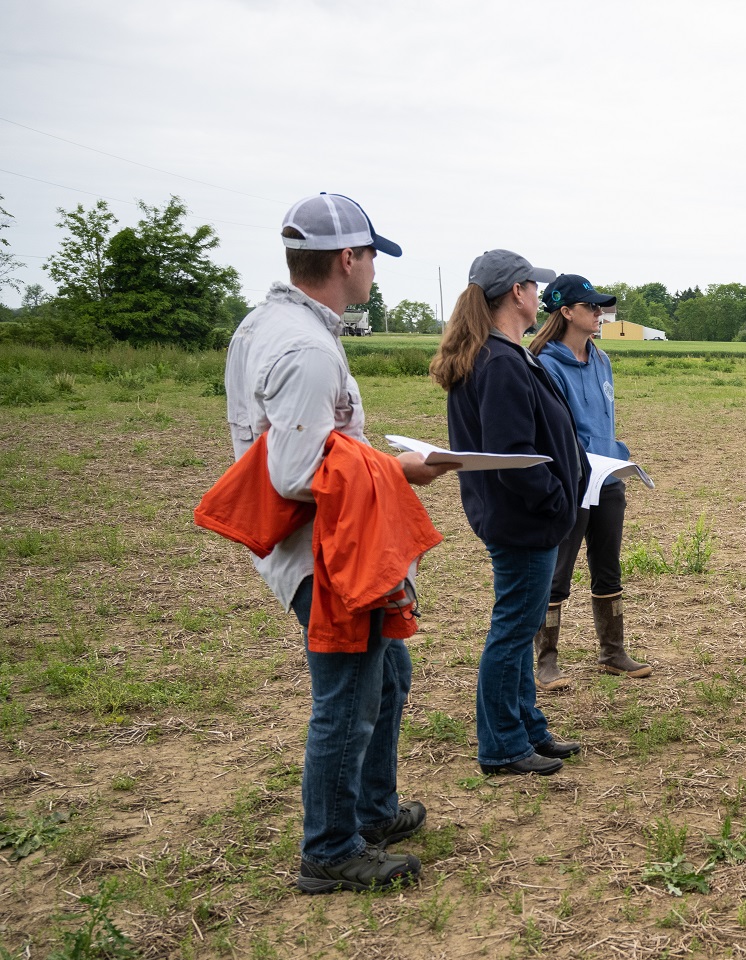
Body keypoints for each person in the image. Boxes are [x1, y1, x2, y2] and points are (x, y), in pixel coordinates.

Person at [224, 193, 457, 893]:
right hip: (324, 552)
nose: (376, 274)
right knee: (349, 696)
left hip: (327, 543)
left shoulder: (266, 327)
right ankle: (329, 847)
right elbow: (295, 472)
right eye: (373, 259)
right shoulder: (304, 349)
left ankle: (372, 810)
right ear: (347, 259)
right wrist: (401, 469)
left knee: (388, 675)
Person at [431, 250, 588, 776]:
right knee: (513, 631)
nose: (539, 294)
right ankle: (501, 744)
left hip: (523, 519)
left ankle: (526, 728)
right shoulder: (498, 361)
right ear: (516, 293)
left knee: (521, 630)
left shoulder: (503, 353)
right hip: (524, 522)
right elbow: (513, 456)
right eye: (532, 286)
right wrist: (556, 499)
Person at [528, 274, 652, 689]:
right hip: (572, 481)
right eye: (592, 307)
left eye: (600, 308)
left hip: (608, 478)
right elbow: (555, 431)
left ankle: (612, 651)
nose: (600, 313)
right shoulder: (544, 364)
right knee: (557, 573)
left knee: (608, 566)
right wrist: (579, 467)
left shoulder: (601, 359)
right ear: (566, 312)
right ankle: (546, 659)